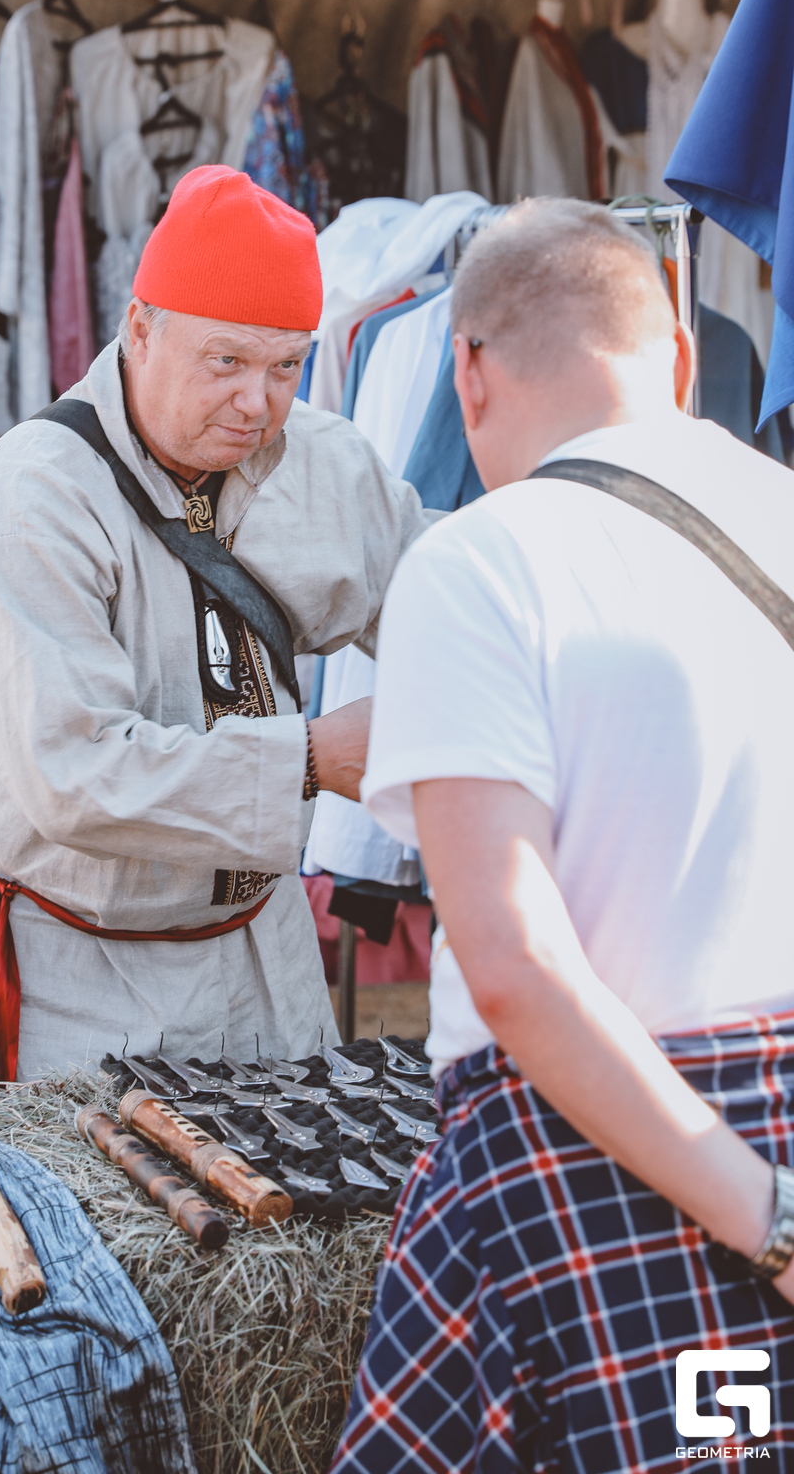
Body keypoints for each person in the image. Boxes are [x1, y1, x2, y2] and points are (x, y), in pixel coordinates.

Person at [333, 199, 794, 1473]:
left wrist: (768, 1222)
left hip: (600, 1162)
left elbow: (513, 970)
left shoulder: (475, 563)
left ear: (465, 373)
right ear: (679, 355)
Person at [0, 164, 428, 1098]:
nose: (257, 404)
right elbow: (77, 775)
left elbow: (448, 605)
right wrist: (314, 758)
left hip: (265, 962)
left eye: (285, 366)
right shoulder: (33, 501)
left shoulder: (322, 463)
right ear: (140, 330)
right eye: (225, 361)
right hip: (75, 980)